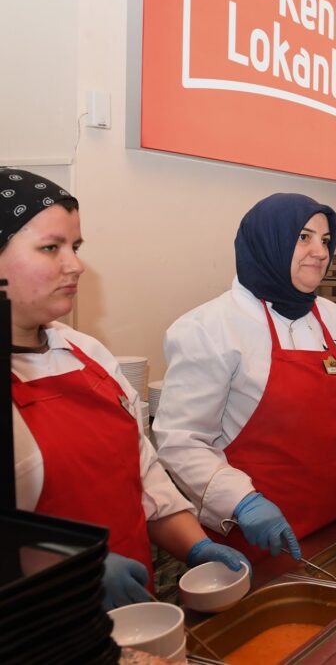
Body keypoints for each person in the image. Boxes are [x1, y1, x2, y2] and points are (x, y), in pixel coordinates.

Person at [2, 168, 248, 610]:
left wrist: (195, 546)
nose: (75, 264)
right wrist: (70, 573)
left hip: (137, 616)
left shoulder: (87, 353)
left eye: (74, 247)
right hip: (41, 631)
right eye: (49, 248)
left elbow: (145, 478)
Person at [154, 193, 336, 562]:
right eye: (304, 237)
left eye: (326, 240)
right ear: (268, 241)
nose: (320, 251)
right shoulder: (210, 329)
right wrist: (242, 501)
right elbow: (182, 441)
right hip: (259, 537)